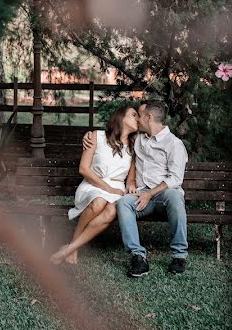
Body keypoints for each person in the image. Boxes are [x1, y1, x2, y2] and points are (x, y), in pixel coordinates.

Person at [82, 100, 189, 277]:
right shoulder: (138, 139)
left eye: (139, 115)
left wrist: (150, 193)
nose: (137, 119)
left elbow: (175, 178)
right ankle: (138, 256)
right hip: (141, 195)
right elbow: (114, 134)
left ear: (149, 117)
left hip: (164, 196)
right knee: (124, 202)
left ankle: (179, 255)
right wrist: (88, 135)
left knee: (176, 197)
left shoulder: (174, 144)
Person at [50, 105, 139, 265]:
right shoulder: (96, 137)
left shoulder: (133, 147)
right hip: (92, 185)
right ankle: (73, 247)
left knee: (111, 211)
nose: (137, 118)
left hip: (117, 190)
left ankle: (70, 248)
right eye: (134, 115)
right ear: (121, 117)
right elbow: (83, 168)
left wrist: (130, 186)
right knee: (99, 201)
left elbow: (131, 179)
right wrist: (108, 188)